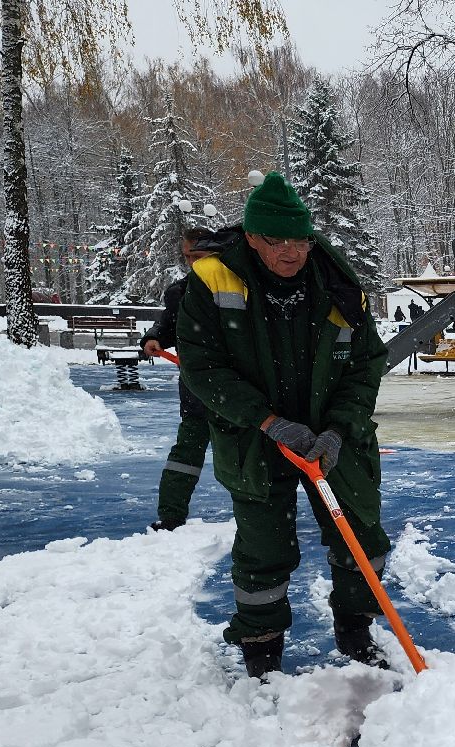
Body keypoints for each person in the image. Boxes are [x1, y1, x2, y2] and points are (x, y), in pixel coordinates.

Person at [176, 173, 392, 680]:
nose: (291, 252)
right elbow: (203, 368)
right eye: (276, 241)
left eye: (300, 240)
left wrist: (340, 429)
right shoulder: (211, 281)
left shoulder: (338, 283)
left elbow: (366, 364)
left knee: (361, 535)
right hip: (255, 439)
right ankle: (262, 651)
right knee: (263, 547)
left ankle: (356, 633)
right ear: (251, 237)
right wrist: (269, 423)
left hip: (332, 438)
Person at [144, 226, 234, 532]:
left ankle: (261, 518)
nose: (192, 263)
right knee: (185, 454)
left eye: (197, 256)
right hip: (197, 394)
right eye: (187, 257)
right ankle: (170, 516)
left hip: (236, 395)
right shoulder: (179, 293)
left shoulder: (234, 289)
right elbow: (169, 326)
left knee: (243, 458)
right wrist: (155, 336)